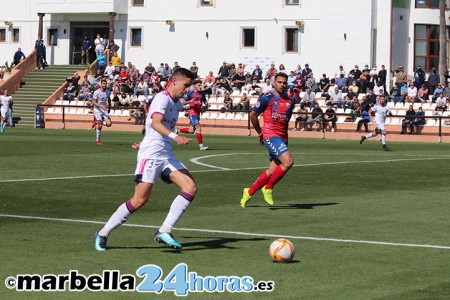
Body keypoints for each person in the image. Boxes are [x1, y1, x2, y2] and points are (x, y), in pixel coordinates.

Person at [94, 68, 196, 251]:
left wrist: (150, 139)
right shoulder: (162, 98)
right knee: (139, 200)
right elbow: (156, 123)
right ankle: (103, 233)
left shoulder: (176, 103)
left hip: (165, 154)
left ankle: (165, 230)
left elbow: (152, 125)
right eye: (185, 85)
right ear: (174, 80)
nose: (187, 89)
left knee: (190, 187)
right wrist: (174, 137)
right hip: (151, 155)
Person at [240, 73, 295, 207]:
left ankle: (249, 192)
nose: (282, 85)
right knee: (288, 162)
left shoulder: (290, 101)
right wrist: (260, 132)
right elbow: (253, 115)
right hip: (270, 134)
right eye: (279, 82)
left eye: (284, 83)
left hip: (282, 137)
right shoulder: (267, 98)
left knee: (272, 171)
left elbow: (285, 120)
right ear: (274, 83)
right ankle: (268, 188)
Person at [176, 80, 209, 150]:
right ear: (195, 86)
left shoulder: (202, 94)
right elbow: (183, 102)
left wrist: (207, 104)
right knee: (198, 127)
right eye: (199, 85)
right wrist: (190, 101)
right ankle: (201, 146)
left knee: (191, 130)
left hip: (197, 113)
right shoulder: (190, 94)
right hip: (192, 113)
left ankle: (178, 130)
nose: (201, 86)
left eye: (201, 85)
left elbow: (205, 102)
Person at [92, 80, 112, 145]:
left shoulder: (108, 91)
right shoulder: (97, 92)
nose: (105, 85)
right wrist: (101, 106)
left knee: (109, 124)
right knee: (100, 125)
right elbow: (93, 102)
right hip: (98, 109)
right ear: (100, 84)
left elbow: (109, 100)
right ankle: (98, 140)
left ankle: (97, 121)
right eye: (103, 83)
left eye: (105, 83)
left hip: (104, 110)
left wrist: (109, 108)